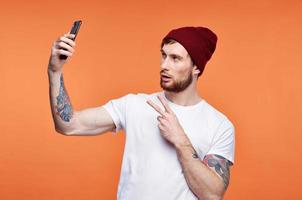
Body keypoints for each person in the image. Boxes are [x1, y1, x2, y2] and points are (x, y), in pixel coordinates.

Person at [48, 26, 235, 200]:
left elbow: (212, 195)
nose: (164, 65)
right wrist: (55, 71)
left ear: (197, 67)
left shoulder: (219, 125)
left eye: (175, 58)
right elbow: (68, 124)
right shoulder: (134, 105)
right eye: (163, 56)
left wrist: (181, 141)